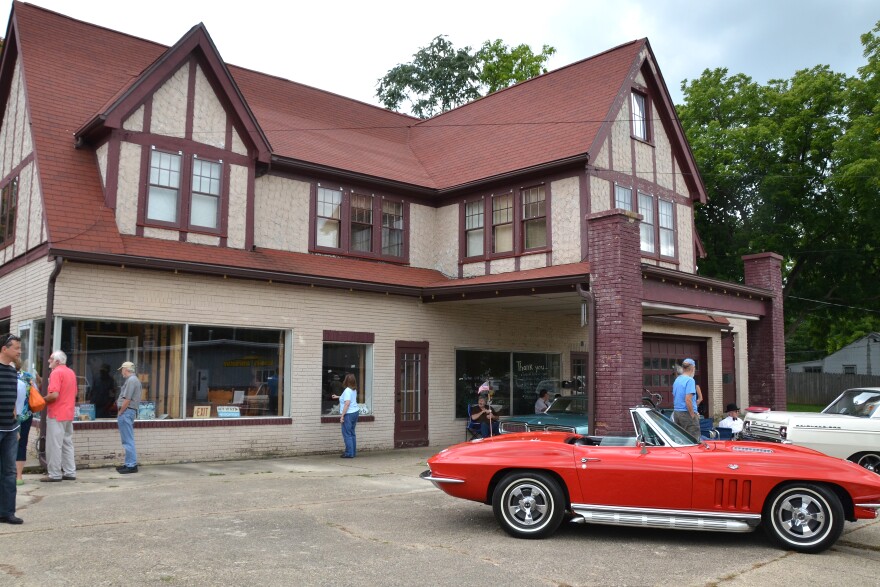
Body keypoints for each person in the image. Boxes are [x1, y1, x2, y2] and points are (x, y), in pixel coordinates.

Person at [42, 350, 77, 482]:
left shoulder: (56, 372)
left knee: (54, 444)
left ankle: (54, 474)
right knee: (67, 443)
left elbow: (54, 395)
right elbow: (73, 393)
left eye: (51, 359)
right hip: (68, 412)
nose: (49, 361)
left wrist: (41, 400)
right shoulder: (71, 372)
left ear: (57, 361)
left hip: (56, 413)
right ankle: (70, 472)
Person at [0, 333, 23, 524]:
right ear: (4, 349)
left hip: (10, 428)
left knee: (9, 472)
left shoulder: (13, 370)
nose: (19, 351)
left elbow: (13, 398)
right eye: (16, 348)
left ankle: (7, 512)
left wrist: (16, 427)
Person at [115, 361, 141, 474]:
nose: (122, 372)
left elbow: (127, 399)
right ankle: (128, 463)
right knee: (126, 439)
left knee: (127, 440)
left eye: (122, 370)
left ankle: (131, 465)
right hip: (128, 412)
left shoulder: (131, 380)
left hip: (126, 412)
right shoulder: (133, 380)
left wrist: (120, 412)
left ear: (126, 369)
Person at [15, 360, 37, 486]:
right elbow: (35, 393)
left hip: (9, 416)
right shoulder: (28, 377)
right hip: (26, 415)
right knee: (22, 444)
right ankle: (19, 476)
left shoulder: (5, 375)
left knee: (7, 444)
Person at [331, 373, 360, 458]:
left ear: (346, 381)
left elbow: (347, 403)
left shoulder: (347, 390)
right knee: (352, 433)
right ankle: (353, 452)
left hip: (349, 414)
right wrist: (338, 397)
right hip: (355, 412)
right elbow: (348, 398)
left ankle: (349, 453)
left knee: (347, 434)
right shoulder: (353, 389)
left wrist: (342, 416)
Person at [672, 358, 700, 440]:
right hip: (686, 413)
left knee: (681, 440)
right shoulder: (690, 380)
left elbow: (676, 396)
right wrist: (693, 414)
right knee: (693, 440)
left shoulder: (677, 379)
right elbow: (688, 400)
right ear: (692, 368)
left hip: (677, 413)